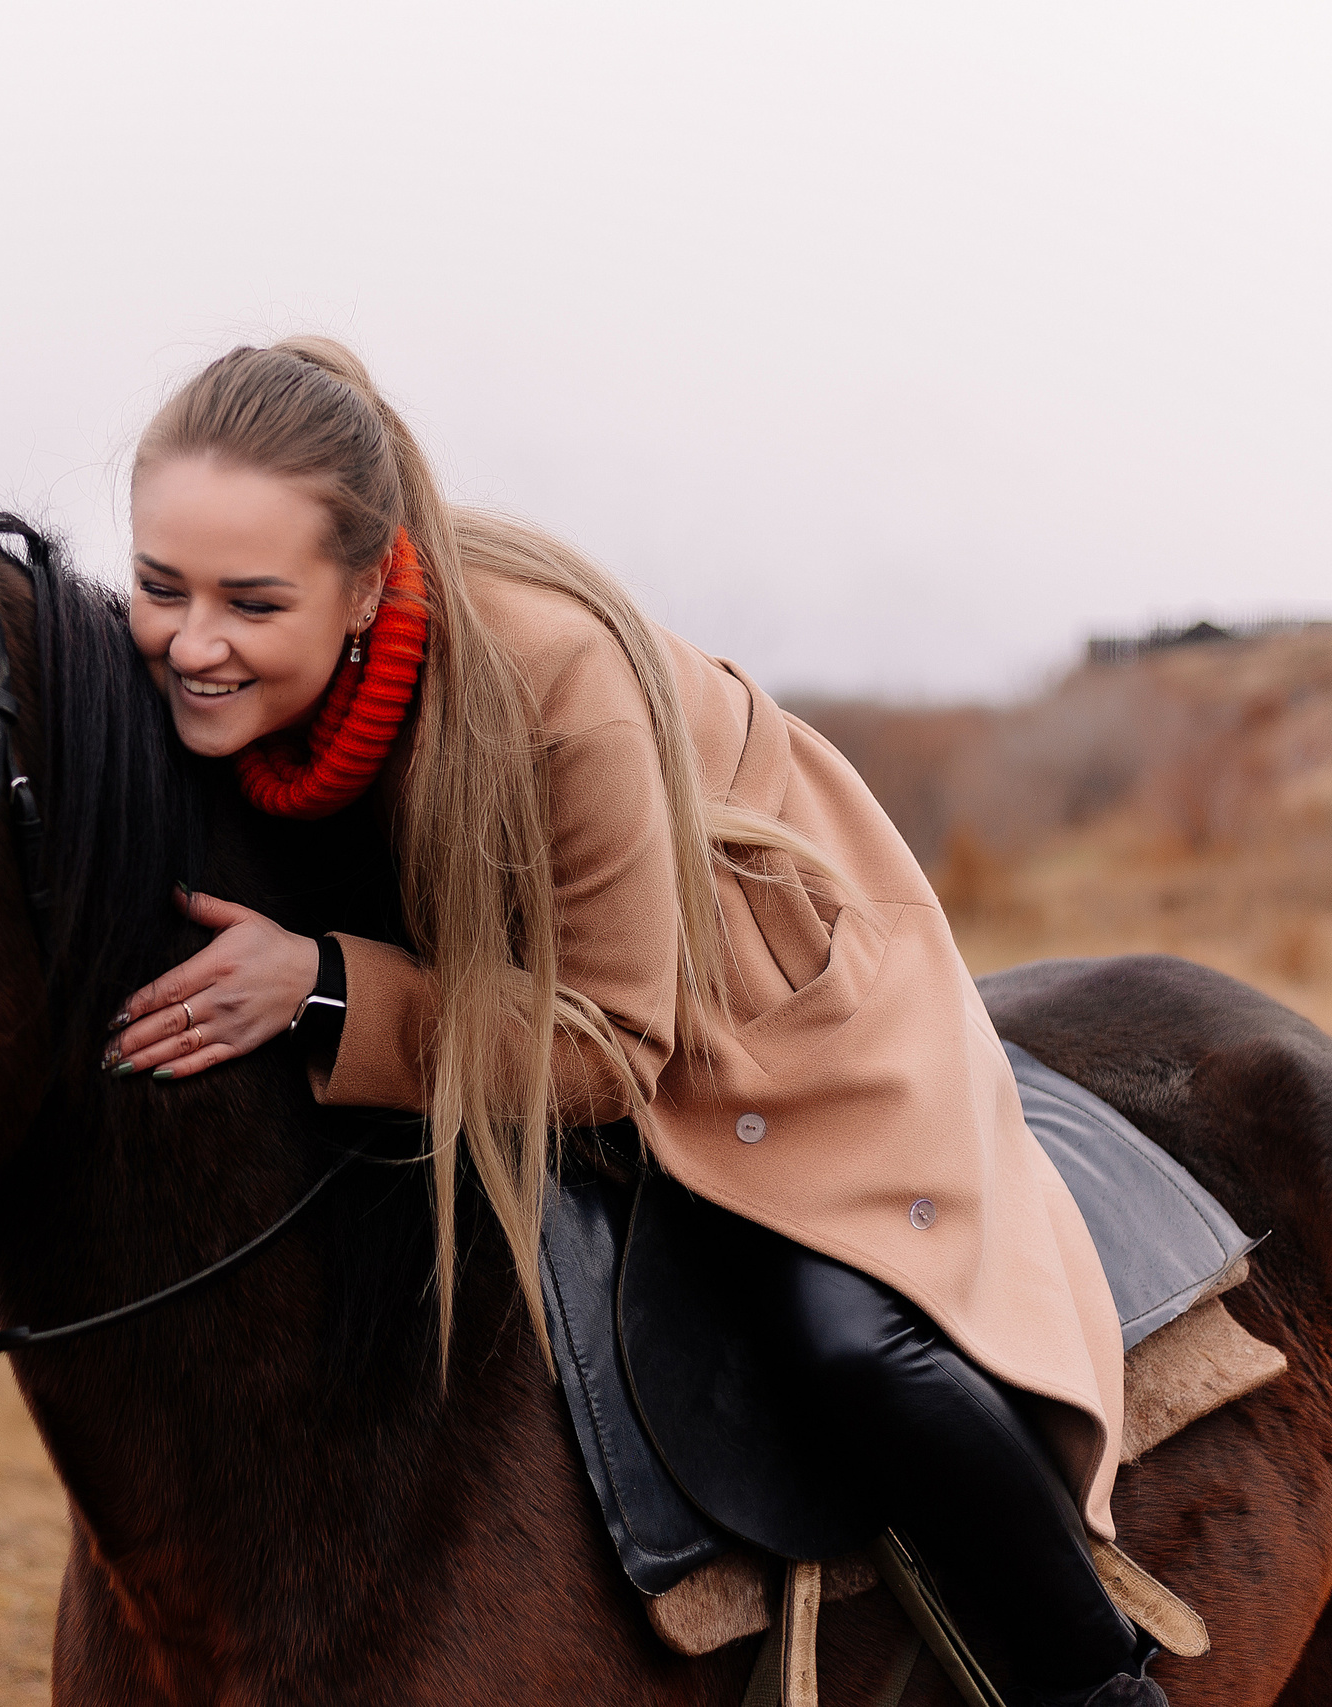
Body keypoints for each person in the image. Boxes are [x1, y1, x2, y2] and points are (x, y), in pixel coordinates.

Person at [100, 338, 1164, 1707]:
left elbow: (607, 1046)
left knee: (846, 1346)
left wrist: (318, 984)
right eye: (155, 586)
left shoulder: (548, 677)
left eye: (250, 600)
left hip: (750, 1015)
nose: (191, 641)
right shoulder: (197, 674)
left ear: (367, 582)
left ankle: (1098, 1684)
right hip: (494, 984)